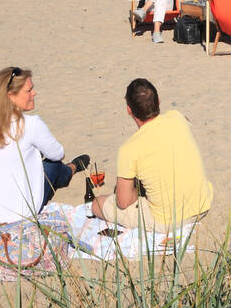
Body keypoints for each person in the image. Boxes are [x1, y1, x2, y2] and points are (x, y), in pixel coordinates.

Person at [0, 67, 89, 229]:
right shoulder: (30, 124)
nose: (34, 93)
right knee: (51, 164)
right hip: (13, 215)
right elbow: (57, 153)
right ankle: (71, 170)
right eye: (29, 90)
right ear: (11, 96)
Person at [91, 78, 213, 231]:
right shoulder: (176, 117)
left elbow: (123, 202)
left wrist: (135, 191)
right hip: (202, 205)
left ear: (129, 110)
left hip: (168, 221)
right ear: (158, 101)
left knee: (98, 204)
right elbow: (185, 121)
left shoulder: (129, 149)